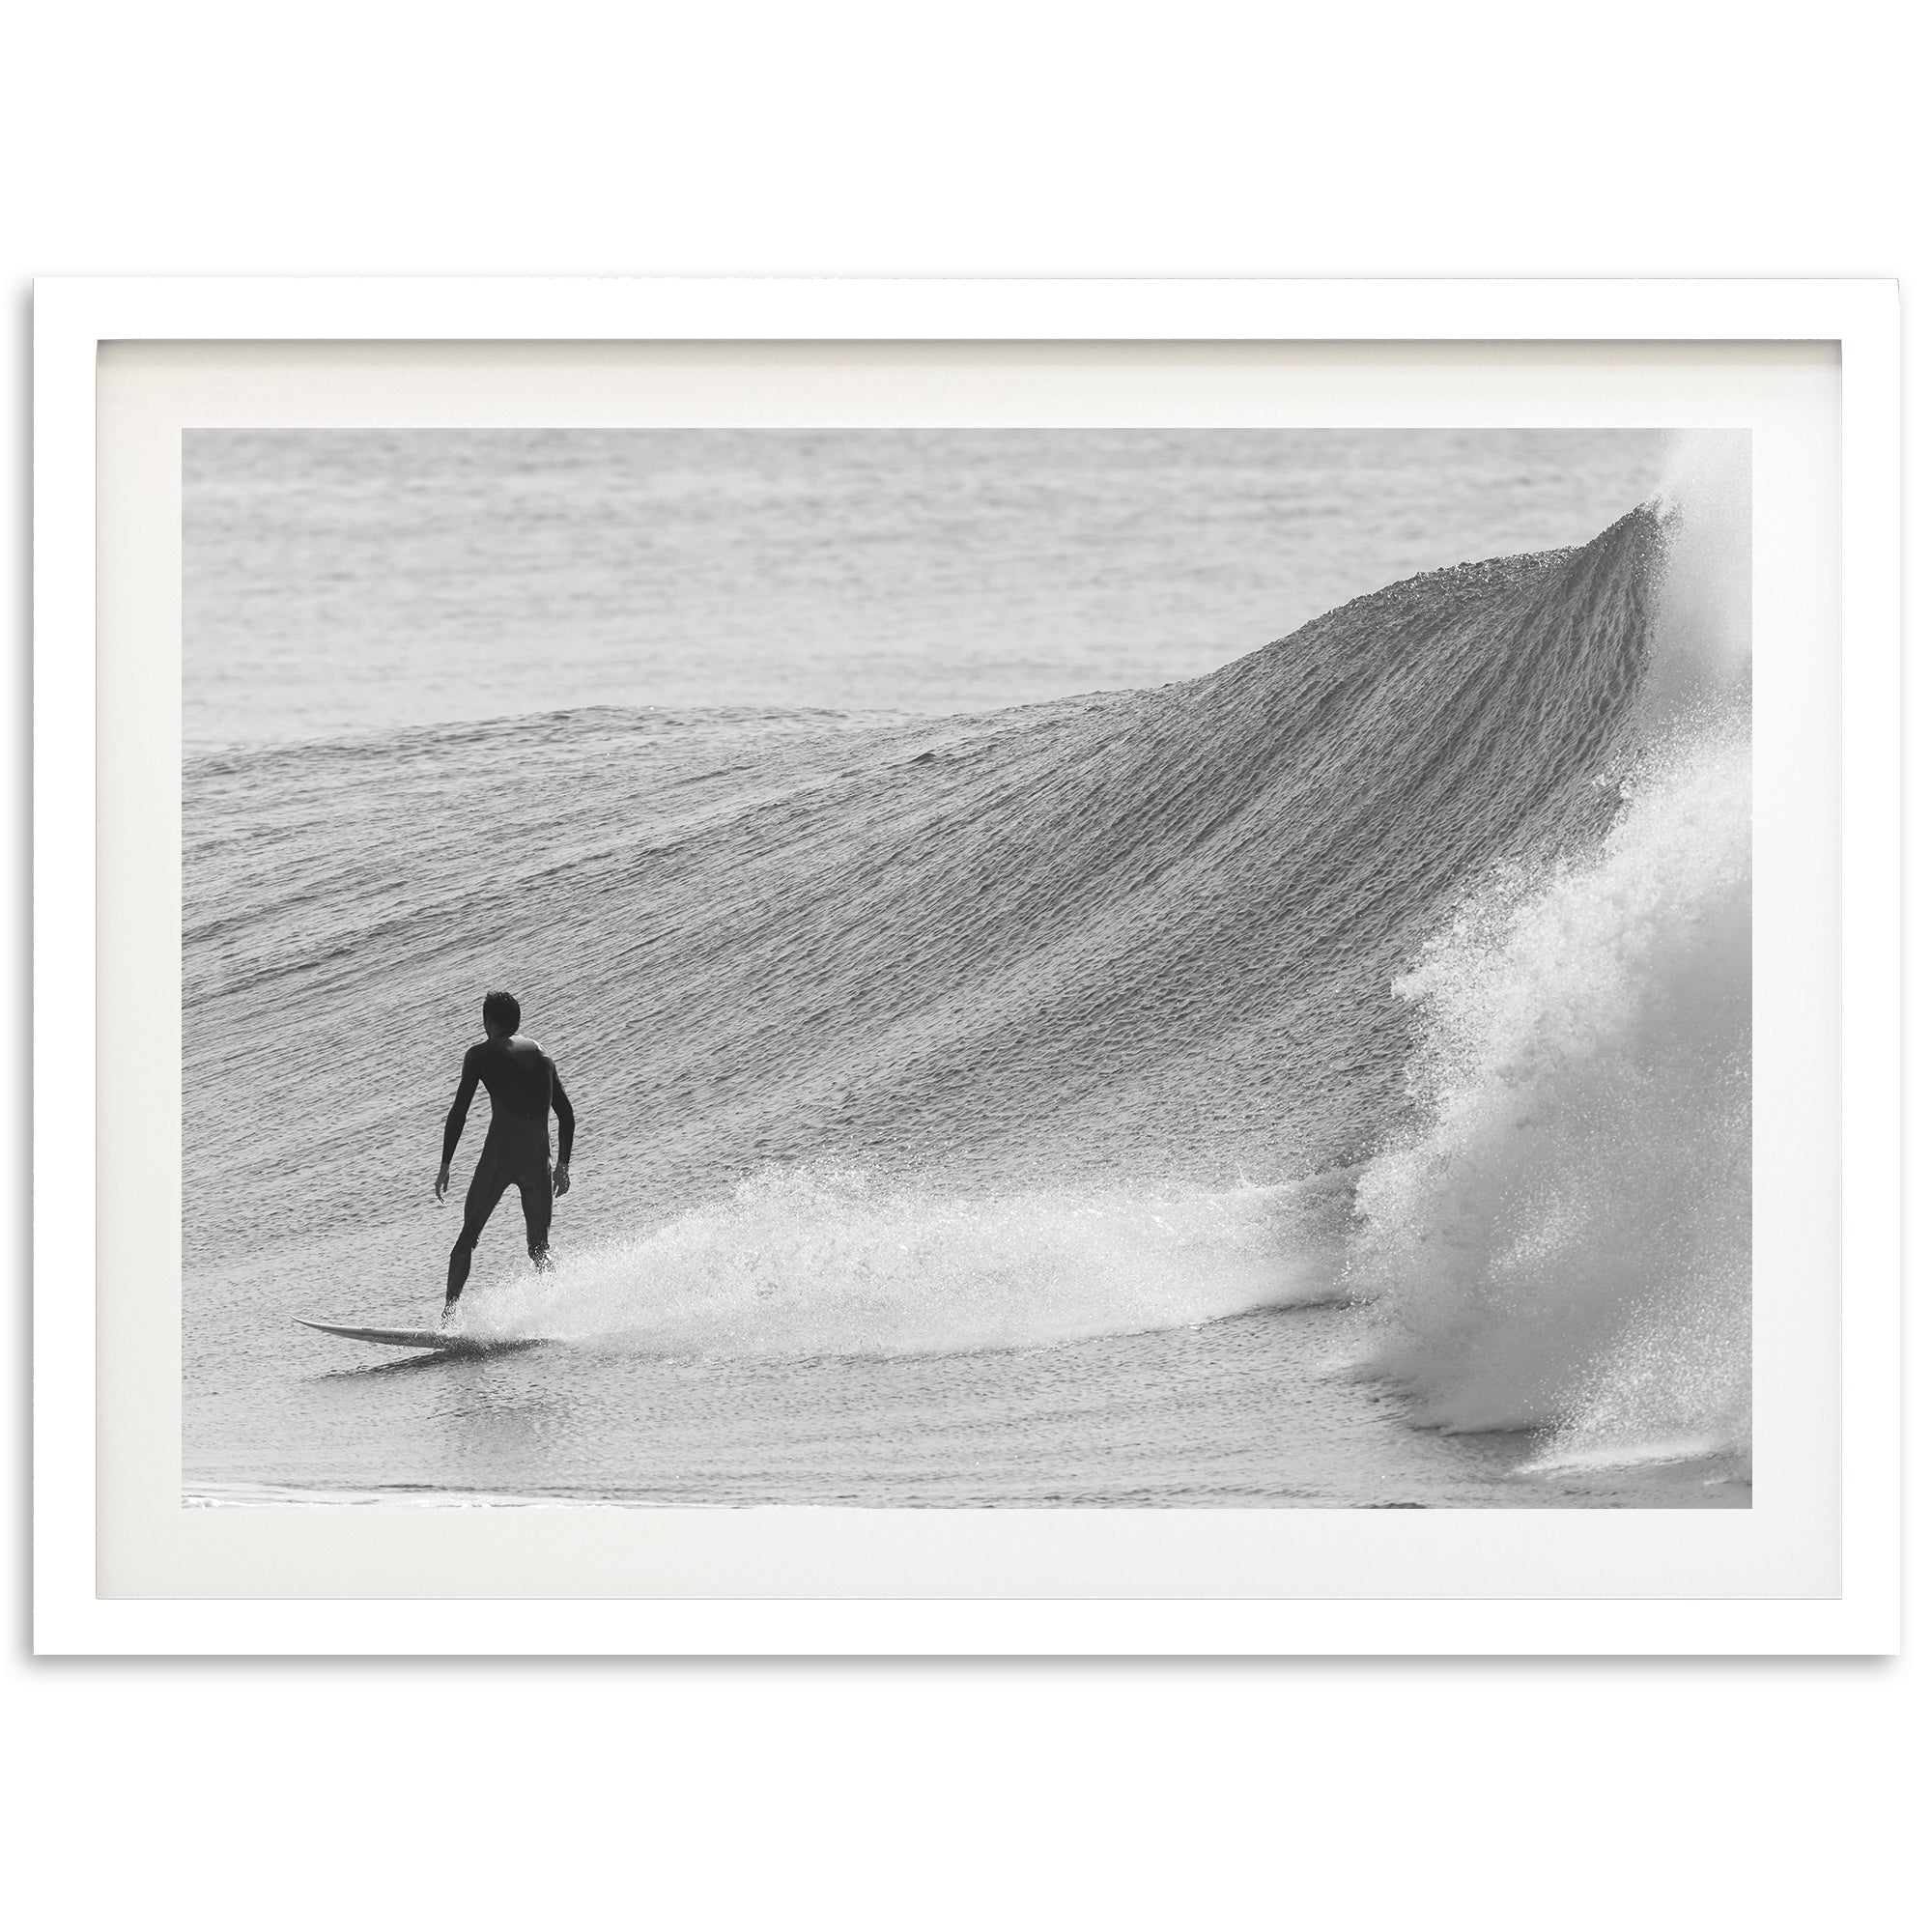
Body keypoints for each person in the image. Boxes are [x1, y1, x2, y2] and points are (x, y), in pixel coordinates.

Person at [436, 990, 576, 1316]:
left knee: (468, 1236)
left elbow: (460, 1112)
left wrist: (445, 1164)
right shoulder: (544, 1056)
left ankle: (448, 1318)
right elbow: (566, 1116)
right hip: (538, 1158)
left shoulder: (480, 1054)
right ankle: (560, 1312)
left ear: (488, 1022)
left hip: (500, 1156)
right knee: (540, 1249)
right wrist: (564, 1166)